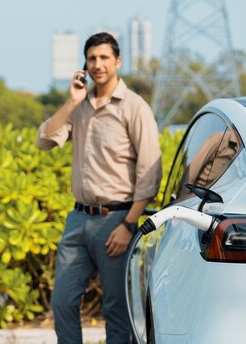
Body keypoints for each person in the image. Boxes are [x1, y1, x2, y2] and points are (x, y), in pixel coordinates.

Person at [36, 32, 162, 344]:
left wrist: (128, 224)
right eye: (92, 58)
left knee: (116, 308)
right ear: (85, 64)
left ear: (117, 61)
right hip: (78, 221)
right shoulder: (78, 107)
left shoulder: (135, 107)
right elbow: (45, 140)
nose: (98, 64)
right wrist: (72, 101)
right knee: (62, 302)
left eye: (104, 58)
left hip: (117, 221)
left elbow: (150, 172)